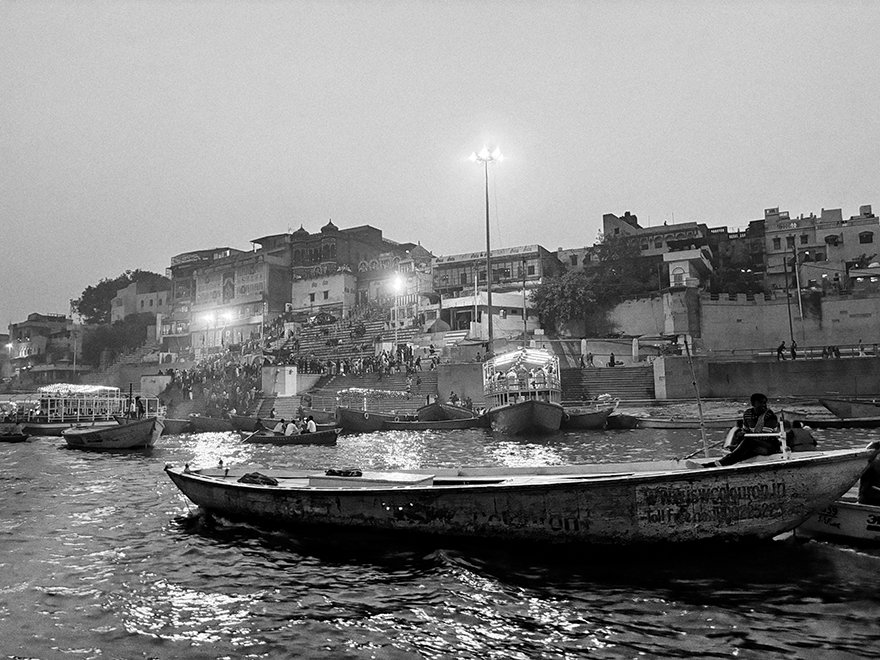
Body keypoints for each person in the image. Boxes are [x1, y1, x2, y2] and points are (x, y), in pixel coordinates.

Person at [690, 393, 781, 468]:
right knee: (739, 455)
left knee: (746, 444)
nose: (763, 405)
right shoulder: (747, 414)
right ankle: (710, 466)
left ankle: (716, 464)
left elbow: (764, 437)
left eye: (765, 403)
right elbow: (745, 430)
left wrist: (745, 436)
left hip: (769, 446)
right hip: (753, 444)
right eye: (760, 403)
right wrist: (740, 434)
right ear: (753, 404)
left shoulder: (770, 416)